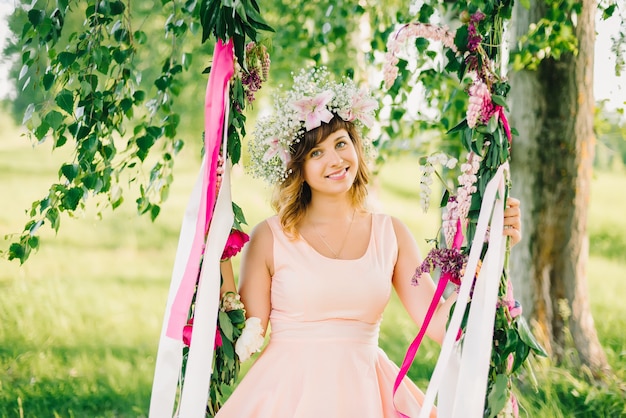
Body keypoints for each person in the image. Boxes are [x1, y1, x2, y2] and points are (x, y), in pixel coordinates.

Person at [214, 68, 522, 418]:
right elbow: (245, 333)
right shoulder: (270, 237)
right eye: (316, 153)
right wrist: (218, 249)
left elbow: (438, 323)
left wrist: (488, 248)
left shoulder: (390, 234)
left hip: (366, 394)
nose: (335, 160)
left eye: (341, 144)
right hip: (288, 395)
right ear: (297, 167)